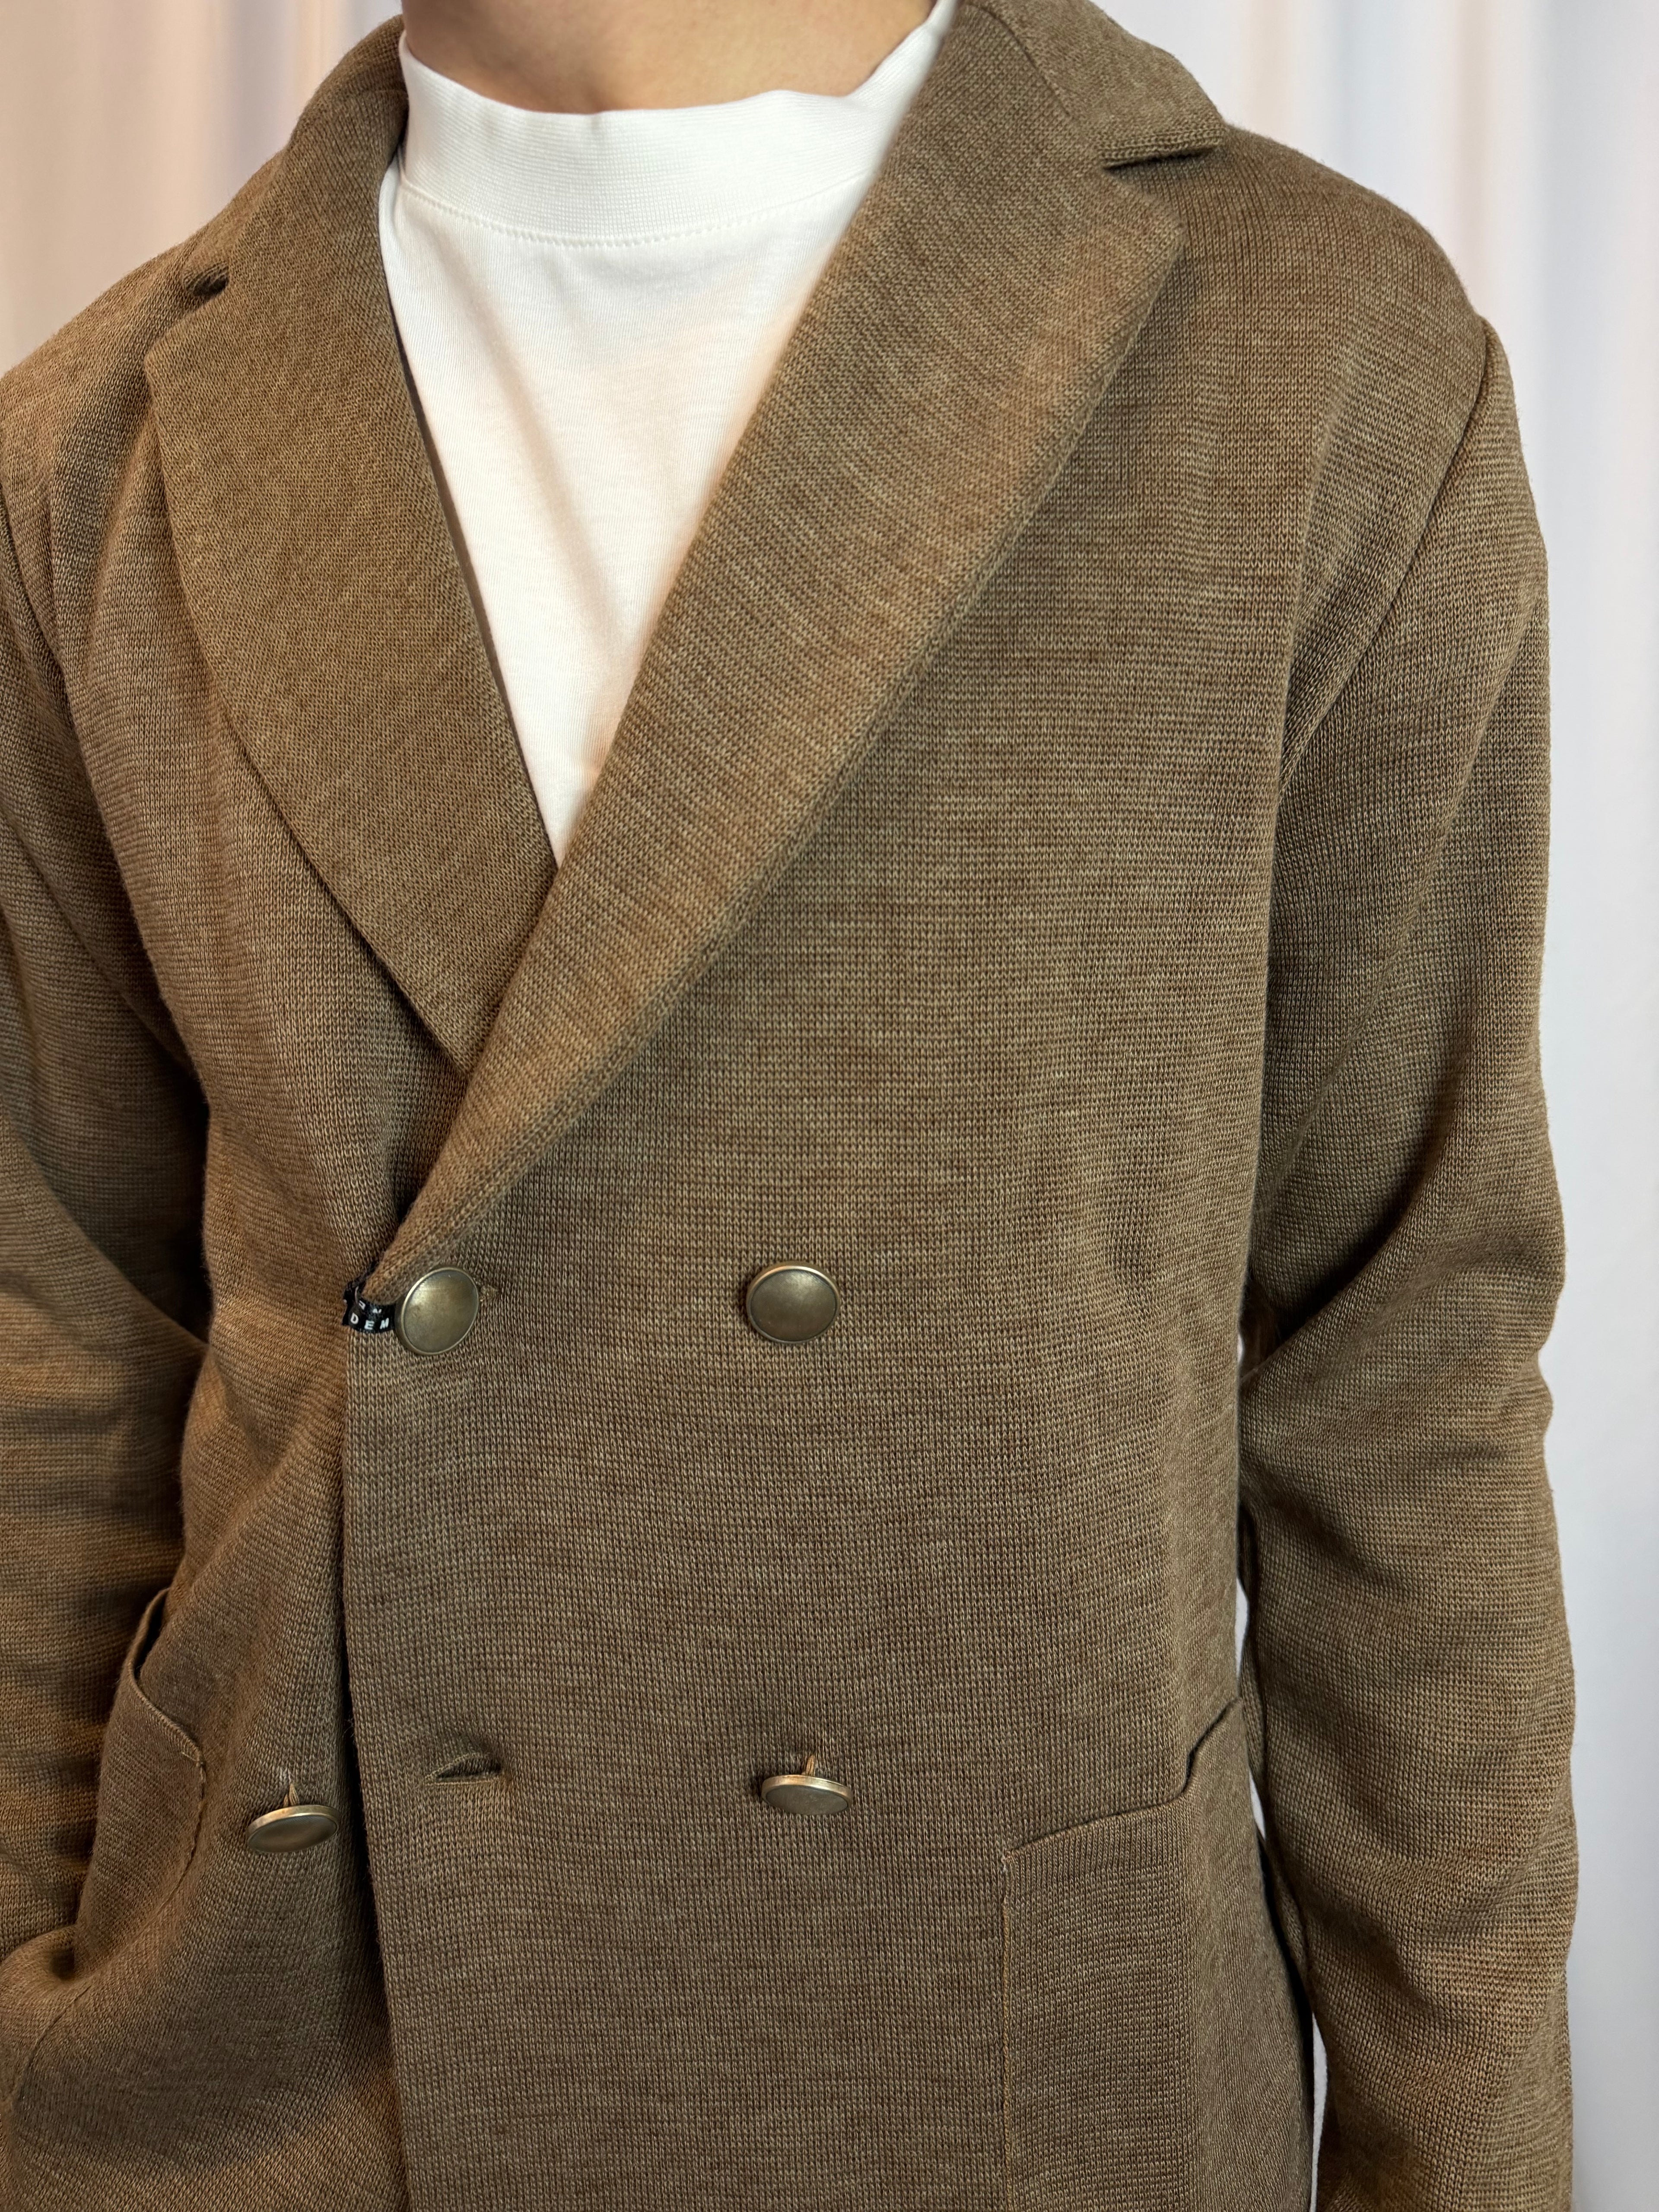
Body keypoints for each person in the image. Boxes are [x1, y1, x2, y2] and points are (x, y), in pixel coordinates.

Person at [0, 0, 1576, 2204]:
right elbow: (60, 1345)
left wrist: (1465, 2161)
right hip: (265, 2088)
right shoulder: (98, 449)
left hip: (1001, 2077)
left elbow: (1395, 1368)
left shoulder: (1307, 359)